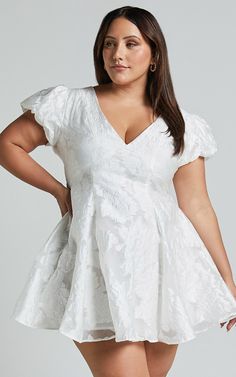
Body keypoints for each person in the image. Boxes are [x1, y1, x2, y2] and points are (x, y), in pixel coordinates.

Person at [1, 5, 236, 377]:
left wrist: (227, 280)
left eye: (131, 43)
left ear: (155, 55)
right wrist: (60, 193)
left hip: (162, 274)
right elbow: (9, 144)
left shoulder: (182, 125)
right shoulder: (70, 107)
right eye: (109, 44)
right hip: (95, 270)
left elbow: (197, 205)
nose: (117, 54)